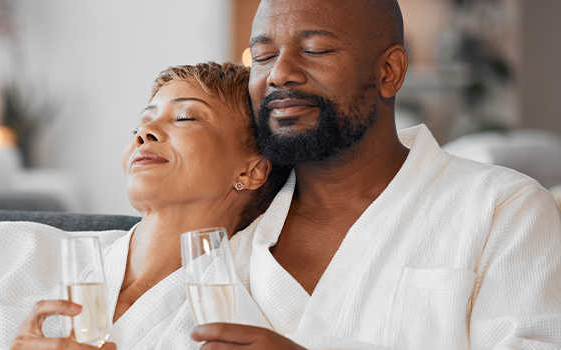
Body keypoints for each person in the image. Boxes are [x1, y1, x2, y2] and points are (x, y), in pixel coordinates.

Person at [0, 62, 289, 350]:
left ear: (251, 170)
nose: (145, 133)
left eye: (185, 117)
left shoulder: (240, 315)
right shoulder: (14, 248)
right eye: (142, 124)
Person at [193, 0, 561, 349]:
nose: (279, 73)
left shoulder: (505, 209)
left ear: (389, 71)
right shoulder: (234, 222)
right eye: (263, 56)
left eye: (315, 49)